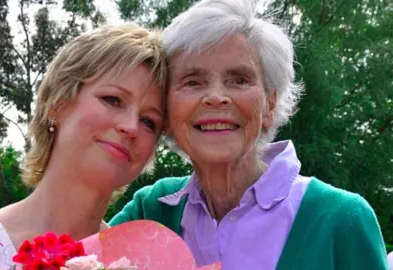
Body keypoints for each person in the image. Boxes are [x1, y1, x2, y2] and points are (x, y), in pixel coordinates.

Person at [109, 0, 389, 269]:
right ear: (167, 113)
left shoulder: (341, 220)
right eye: (192, 81)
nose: (216, 97)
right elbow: (71, 251)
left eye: (239, 80)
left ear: (269, 104)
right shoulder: (153, 209)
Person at [0, 22, 167, 269]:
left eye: (149, 121)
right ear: (56, 103)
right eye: (113, 99)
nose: (131, 126)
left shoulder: (146, 265)